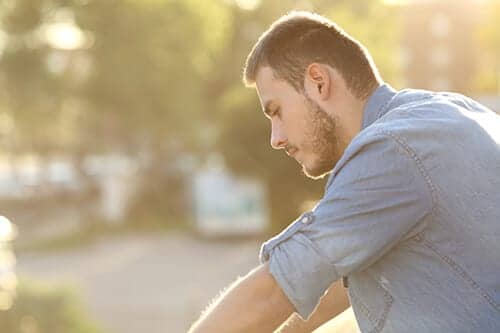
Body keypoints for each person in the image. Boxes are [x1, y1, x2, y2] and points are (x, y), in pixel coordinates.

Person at [189, 11, 500, 333]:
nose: (276, 138)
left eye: (277, 111)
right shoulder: (451, 112)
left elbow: (271, 291)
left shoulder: (391, 152)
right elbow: (336, 277)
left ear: (319, 82)